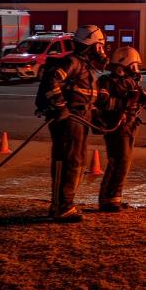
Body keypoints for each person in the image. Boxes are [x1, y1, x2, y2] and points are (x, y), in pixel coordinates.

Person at [35, 25, 108, 222]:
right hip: (69, 122)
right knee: (68, 162)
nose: (102, 51)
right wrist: (60, 108)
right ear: (93, 46)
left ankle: (63, 204)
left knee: (74, 162)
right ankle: (62, 206)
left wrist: (95, 116)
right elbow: (52, 80)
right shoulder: (73, 62)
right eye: (100, 46)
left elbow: (82, 98)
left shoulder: (83, 67)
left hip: (78, 120)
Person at [93, 46, 146, 212]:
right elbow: (102, 102)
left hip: (129, 126)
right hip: (115, 126)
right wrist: (125, 103)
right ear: (124, 64)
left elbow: (145, 99)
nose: (136, 69)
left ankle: (115, 198)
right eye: (134, 65)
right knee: (118, 161)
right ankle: (106, 200)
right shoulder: (106, 81)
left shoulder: (131, 82)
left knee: (124, 162)